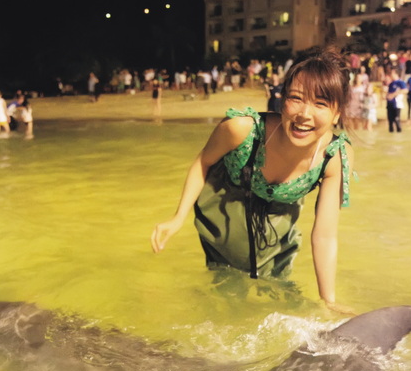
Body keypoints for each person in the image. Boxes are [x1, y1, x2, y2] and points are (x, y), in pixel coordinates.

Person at [151, 48, 354, 312]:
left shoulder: (335, 156)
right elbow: (204, 162)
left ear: (337, 113)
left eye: (321, 104)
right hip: (225, 215)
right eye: (296, 98)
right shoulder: (241, 129)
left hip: (278, 226)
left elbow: (325, 235)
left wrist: (329, 301)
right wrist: (178, 216)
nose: (305, 114)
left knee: (280, 297)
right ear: (282, 99)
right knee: (226, 295)